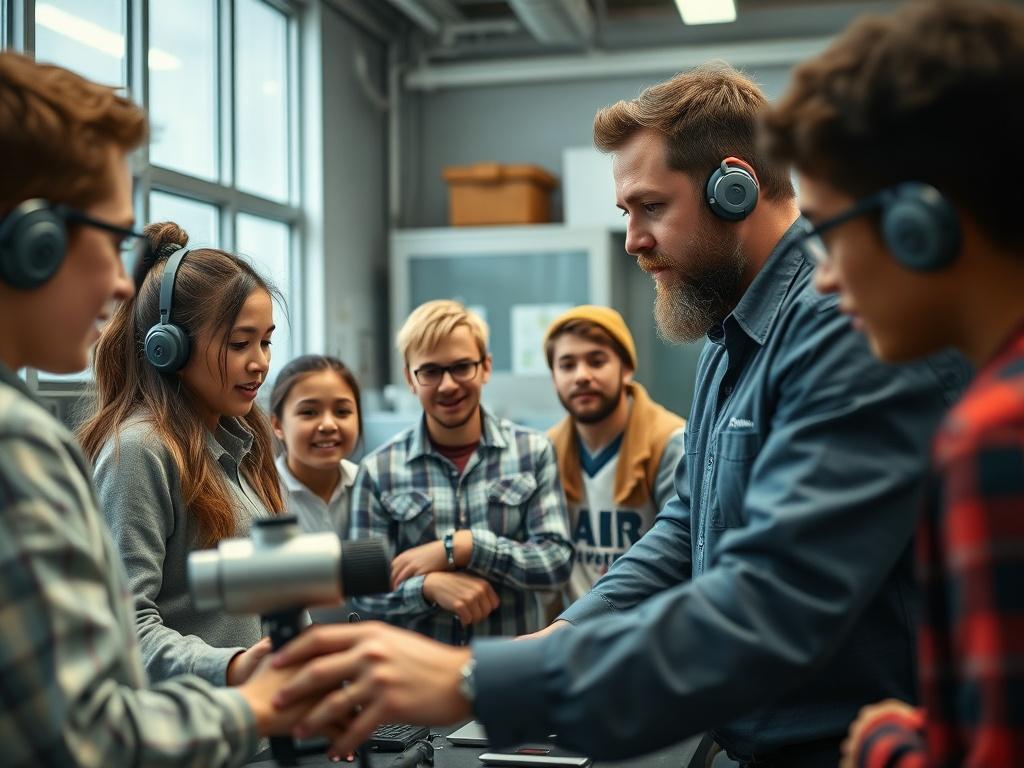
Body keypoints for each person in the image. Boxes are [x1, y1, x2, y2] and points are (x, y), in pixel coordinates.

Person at [267, 65, 968, 767]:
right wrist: (560, 636)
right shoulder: (731, 342)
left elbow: (775, 602)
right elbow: (687, 530)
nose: (632, 238)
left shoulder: (841, 329)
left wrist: (481, 681)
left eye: (648, 206)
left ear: (736, 187)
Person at [0, 50, 307, 766]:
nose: (117, 284)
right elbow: (84, 732)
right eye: (109, 241)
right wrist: (250, 699)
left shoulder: (242, 442)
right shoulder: (31, 445)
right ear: (32, 245)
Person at [762, 1, 1024, 765]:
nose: (824, 278)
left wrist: (883, 741)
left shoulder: (996, 433)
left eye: (825, 232)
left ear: (920, 223)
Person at [77, 221, 283, 687]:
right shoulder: (139, 451)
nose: (260, 362)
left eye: (266, 341)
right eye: (239, 344)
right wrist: (230, 667)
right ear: (168, 348)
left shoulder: (243, 444)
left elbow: (277, 599)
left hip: (262, 730)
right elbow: (123, 628)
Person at [348, 299, 573, 641]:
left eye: (461, 367)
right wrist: (427, 588)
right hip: (416, 679)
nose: (448, 385)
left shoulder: (534, 452)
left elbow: (555, 564)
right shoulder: (379, 470)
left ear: (485, 367)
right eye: (431, 371)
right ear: (410, 378)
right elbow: (363, 590)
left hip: (511, 672)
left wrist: (466, 547)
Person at [543, 305, 684, 602]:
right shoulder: (546, 451)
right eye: (567, 365)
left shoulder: (671, 444)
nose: (581, 376)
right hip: (570, 634)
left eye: (597, 361)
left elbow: (685, 555)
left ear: (627, 368)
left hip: (648, 632)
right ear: (553, 378)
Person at [270, 354, 362, 536]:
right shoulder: (262, 493)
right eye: (309, 412)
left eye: (342, 411)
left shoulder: (370, 484)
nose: (328, 425)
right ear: (278, 425)